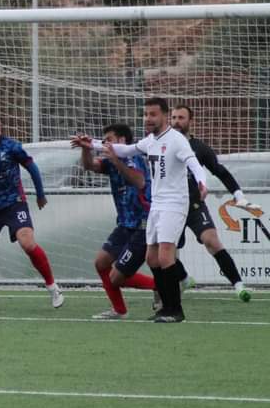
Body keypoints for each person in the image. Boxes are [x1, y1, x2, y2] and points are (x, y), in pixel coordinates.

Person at [72, 97, 208, 323]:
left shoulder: (176, 140)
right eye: (145, 115)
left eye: (153, 114)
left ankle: (175, 309)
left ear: (165, 116)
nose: (148, 119)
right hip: (157, 204)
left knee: (165, 255)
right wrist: (92, 144)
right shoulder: (150, 141)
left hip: (175, 203)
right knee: (152, 258)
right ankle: (165, 307)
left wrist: (202, 182)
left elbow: (193, 162)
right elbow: (124, 149)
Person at [0, 108, 64, 311]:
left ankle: (53, 287)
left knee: (27, 244)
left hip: (14, 204)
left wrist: (40, 194)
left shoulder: (11, 147)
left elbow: (32, 168)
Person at [170, 105, 257, 303]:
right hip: (170, 207)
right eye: (173, 117)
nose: (176, 121)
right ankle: (183, 279)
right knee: (163, 252)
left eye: (181, 118)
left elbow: (221, 171)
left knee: (212, 240)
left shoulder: (199, 147)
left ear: (191, 121)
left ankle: (238, 286)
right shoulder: (162, 146)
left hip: (194, 206)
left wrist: (238, 195)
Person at [75, 123, 156, 319]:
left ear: (122, 141)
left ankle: (163, 285)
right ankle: (119, 310)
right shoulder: (110, 162)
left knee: (116, 278)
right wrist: (86, 149)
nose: (105, 144)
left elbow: (139, 182)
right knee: (101, 263)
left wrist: (116, 161)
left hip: (143, 224)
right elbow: (89, 165)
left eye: (109, 140)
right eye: (104, 141)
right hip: (124, 224)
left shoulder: (134, 158)